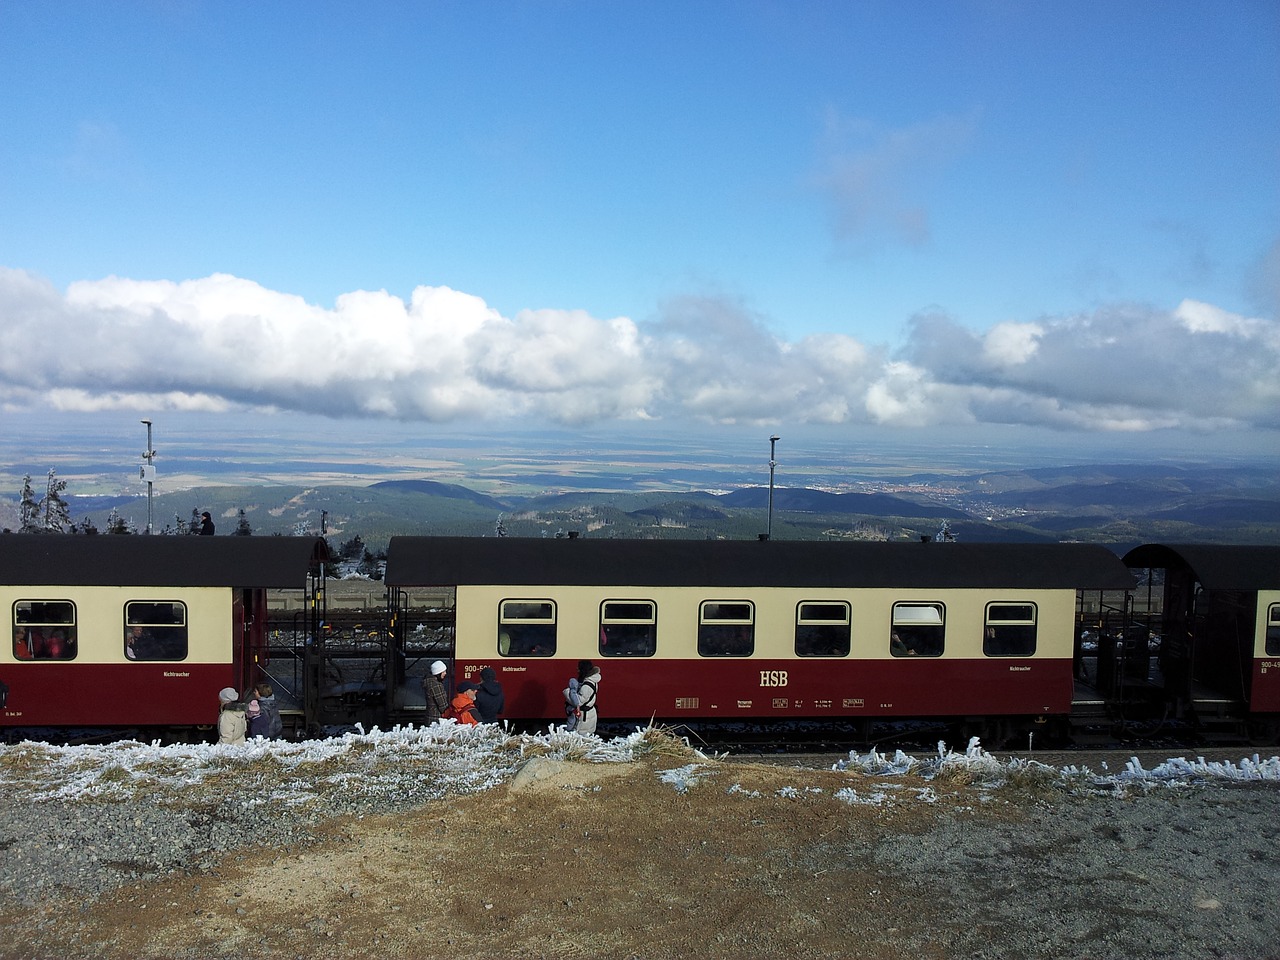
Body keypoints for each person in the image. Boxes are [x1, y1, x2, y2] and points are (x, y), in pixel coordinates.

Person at [575, 660, 601, 736]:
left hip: (585, 716)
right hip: (590, 713)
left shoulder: (586, 686)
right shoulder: (592, 682)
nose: (577, 669)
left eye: (579, 668)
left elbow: (578, 702)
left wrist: (567, 693)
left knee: (582, 736)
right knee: (588, 735)